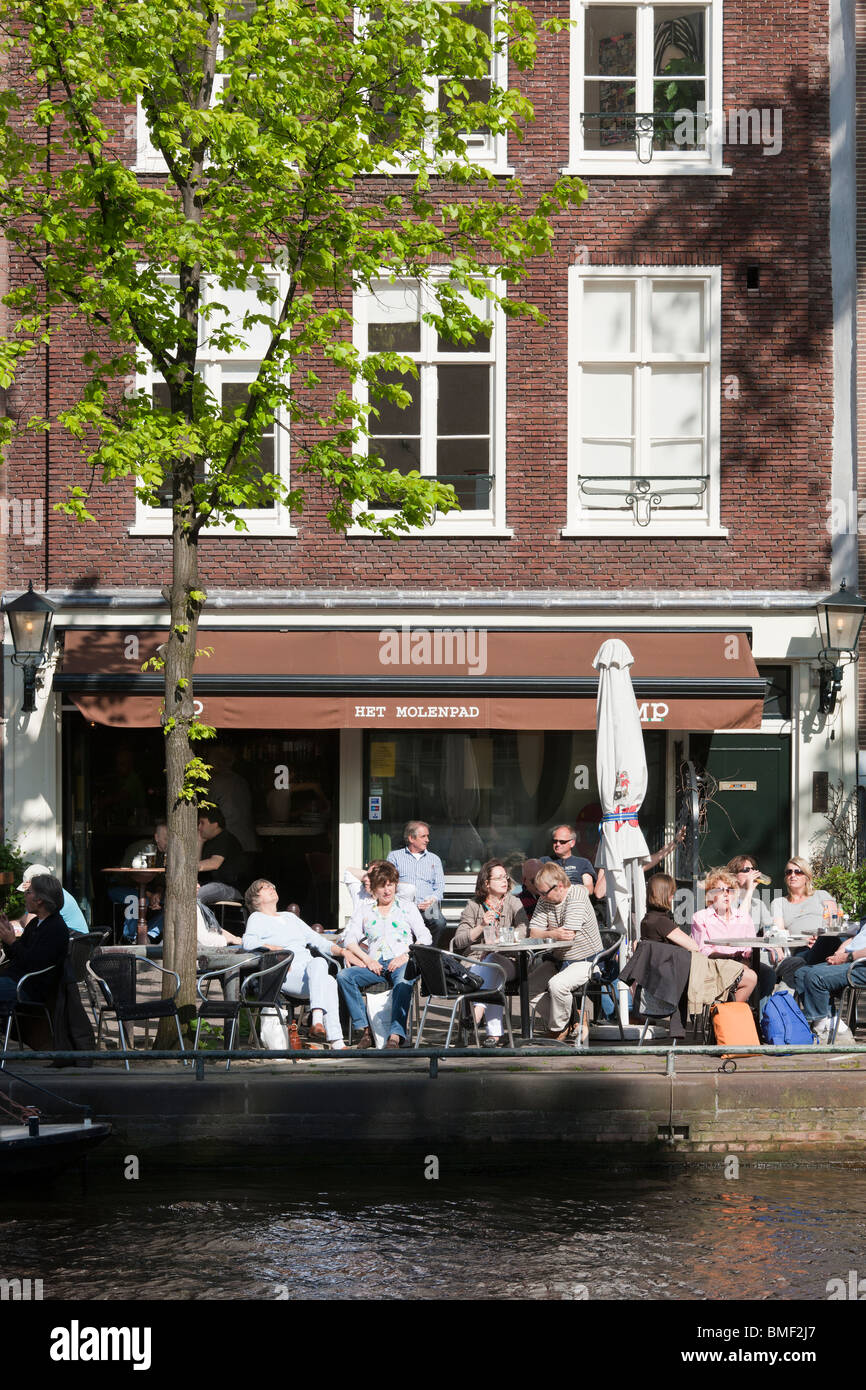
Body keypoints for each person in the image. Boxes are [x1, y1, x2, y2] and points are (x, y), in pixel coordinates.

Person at [243, 879, 347, 1049]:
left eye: (272, 886)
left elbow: (318, 941)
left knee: (328, 978)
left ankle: (331, 1035)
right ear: (255, 899)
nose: (271, 888)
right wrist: (276, 951)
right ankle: (324, 1028)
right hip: (285, 973)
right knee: (321, 967)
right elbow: (248, 943)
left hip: (310, 973)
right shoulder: (257, 918)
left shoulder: (289, 917)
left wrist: (343, 951)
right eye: (265, 887)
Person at [339, 861, 431, 1049]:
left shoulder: (407, 907)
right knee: (344, 976)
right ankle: (366, 1030)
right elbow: (350, 939)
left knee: (404, 982)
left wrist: (406, 955)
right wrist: (367, 959)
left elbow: (425, 936)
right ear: (373, 888)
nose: (387, 890)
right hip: (375, 964)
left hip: (402, 960)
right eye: (382, 885)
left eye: (390, 884)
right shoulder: (365, 910)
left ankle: (395, 1036)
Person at [453, 860, 529, 1046]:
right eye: (499, 878)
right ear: (486, 883)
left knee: (494, 961)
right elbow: (459, 941)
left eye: (506, 877)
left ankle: (474, 1017)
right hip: (476, 961)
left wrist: (506, 938)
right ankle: (494, 1035)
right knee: (491, 971)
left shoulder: (513, 902)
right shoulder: (474, 905)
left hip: (508, 961)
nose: (505, 881)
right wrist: (481, 926)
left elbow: (524, 928)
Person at [526, 861, 603, 1043]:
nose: (541, 898)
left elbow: (568, 935)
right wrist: (553, 933)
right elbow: (533, 933)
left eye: (544, 893)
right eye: (539, 893)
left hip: (587, 960)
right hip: (559, 960)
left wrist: (547, 934)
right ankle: (571, 1019)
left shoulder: (577, 894)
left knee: (557, 984)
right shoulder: (545, 898)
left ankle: (558, 1029)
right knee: (527, 988)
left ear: (559, 886)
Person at [771, 857, 843, 990]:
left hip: (828, 943)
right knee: (803, 964)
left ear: (807, 877)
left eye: (798, 872)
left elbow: (834, 920)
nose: (793, 875)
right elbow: (778, 933)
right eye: (789, 872)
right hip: (802, 949)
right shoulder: (779, 902)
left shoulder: (821, 895)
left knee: (830, 938)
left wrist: (819, 938)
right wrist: (805, 941)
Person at [689, 868, 759, 1003]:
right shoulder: (701, 917)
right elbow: (703, 951)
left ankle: (754, 1019)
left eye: (729, 890)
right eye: (720, 890)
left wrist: (743, 961)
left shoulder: (743, 916)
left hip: (741, 964)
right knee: (751, 977)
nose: (726, 894)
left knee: (768, 975)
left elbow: (750, 946)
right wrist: (728, 957)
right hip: (714, 966)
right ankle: (727, 1015)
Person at [0, 874, 69, 1007]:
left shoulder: (55, 928)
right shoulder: (36, 923)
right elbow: (16, 957)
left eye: (29, 892)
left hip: (28, 988)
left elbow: (32, 963)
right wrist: (7, 935)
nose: (24, 894)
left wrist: (13, 942)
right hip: (16, 980)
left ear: (40, 900)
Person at [795, 921, 866, 1039]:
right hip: (851, 959)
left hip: (861, 965)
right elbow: (857, 937)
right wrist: (839, 952)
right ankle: (835, 1026)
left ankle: (822, 1030)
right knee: (801, 973)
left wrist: (847, 957)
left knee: (815, 977)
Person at [387, 821, 447, 936]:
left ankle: (427, 952)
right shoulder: (394, 856)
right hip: (403, 905)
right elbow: (389, 882)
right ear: (411, 838)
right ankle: (407, 952)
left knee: (440, 923)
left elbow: (439, 887)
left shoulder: (434, 859)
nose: (427, 840)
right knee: (396, 924)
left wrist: (432, 900)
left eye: (427, 836)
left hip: (428, 906)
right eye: (423, 836)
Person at [16, 863, 89, 936]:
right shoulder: (51, 894)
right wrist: (13, 924)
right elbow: (24, 921)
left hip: (75, 941)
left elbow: (30, 930)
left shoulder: (52, 897)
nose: (25, 895)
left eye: (28, 891)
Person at [197, 808, 244, 907]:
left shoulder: (225, 838)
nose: (199, 827)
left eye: (202, 823)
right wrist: (200, 841)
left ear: (214, 824)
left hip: (228, 887)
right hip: (210, 885)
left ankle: (207, 923)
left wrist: (188, 866)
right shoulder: (207, 841)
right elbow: (197, 864)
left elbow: (214, 863)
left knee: (194, 896)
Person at [727, 854, 774, 932]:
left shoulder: (758, 904)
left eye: (752, 869)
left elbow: (770, 928)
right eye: (746, 870)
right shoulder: (726, 902)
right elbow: (736, 929)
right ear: (734, 876)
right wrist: (750, 890)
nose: (752, 873)